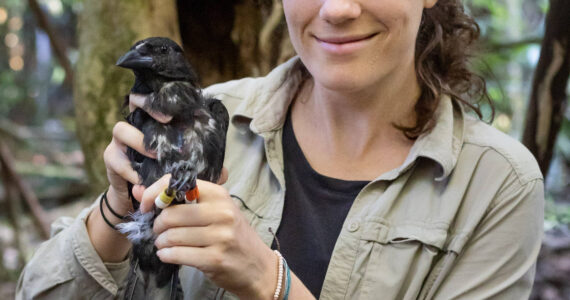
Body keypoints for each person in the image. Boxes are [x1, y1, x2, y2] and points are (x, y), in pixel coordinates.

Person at [17, 0, 544, 299]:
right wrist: (115, 214)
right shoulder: (206, 115)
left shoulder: (496, 184)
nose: (338, 10)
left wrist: (271, 284)